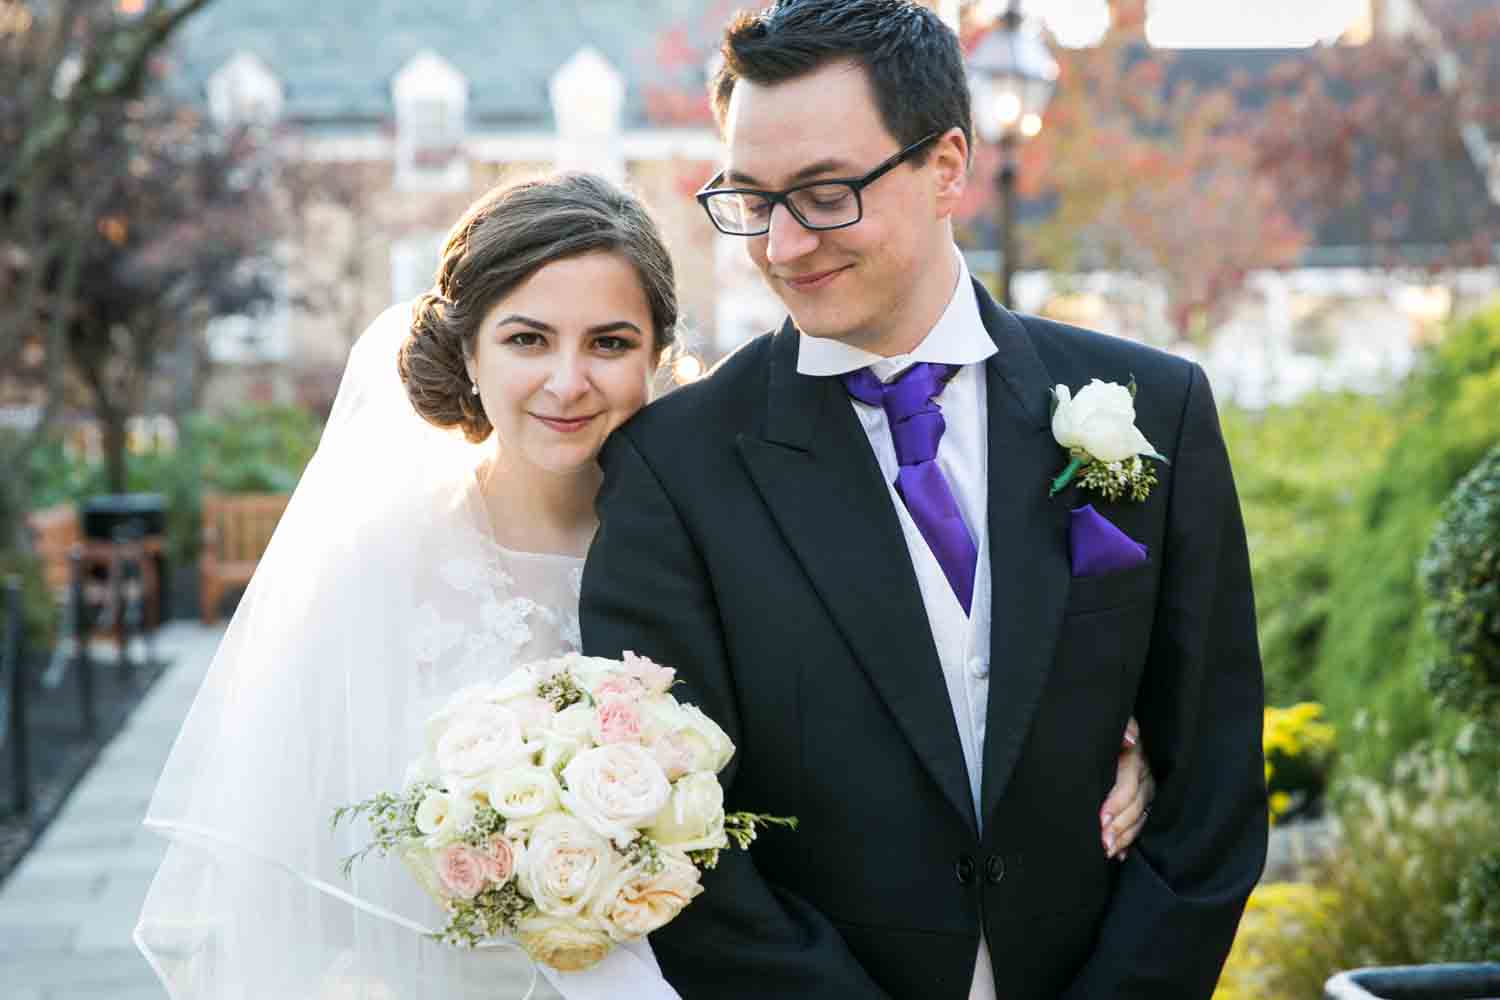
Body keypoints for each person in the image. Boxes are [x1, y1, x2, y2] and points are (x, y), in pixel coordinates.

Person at [134, 171, 1157, 999]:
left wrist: (1094, 746)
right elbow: (289, 880)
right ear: (469, 351)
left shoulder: (739, 537)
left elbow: (905, 702)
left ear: (661, 358)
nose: (568, 381)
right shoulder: (372, 563)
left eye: (611, 343)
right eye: (528, 338)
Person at [578, 2, 1268, 999]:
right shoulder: (673, 469)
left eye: (822, 194)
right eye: (749, 199)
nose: (780, 244)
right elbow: (679, 845)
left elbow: (1211, 782)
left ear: (948, 166)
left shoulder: (1157, 409)